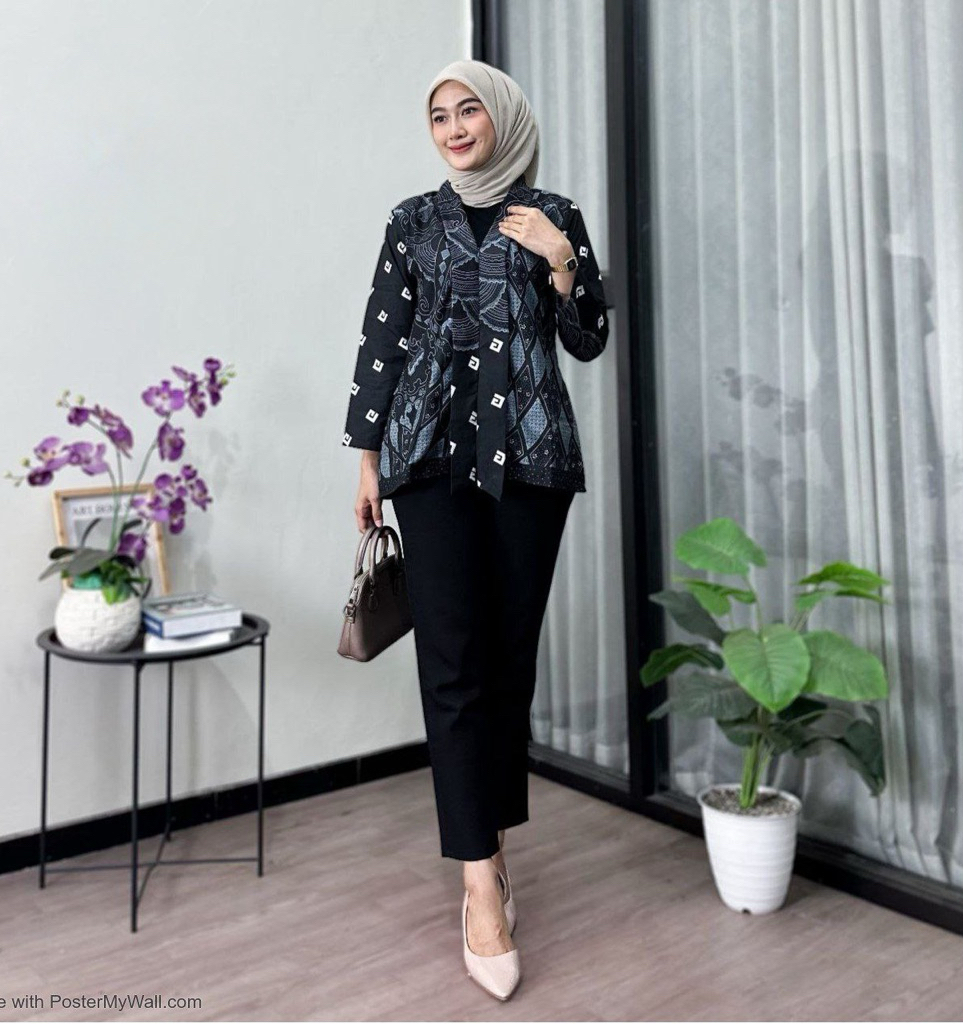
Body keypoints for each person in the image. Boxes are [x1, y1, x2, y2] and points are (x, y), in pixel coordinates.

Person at [341, 59, 609, 1001]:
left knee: (505, 665)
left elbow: (587, 340)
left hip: (532, 461)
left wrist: (563, 263)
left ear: (503, 119)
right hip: (426, 460)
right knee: (451, 663)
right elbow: (382, 339)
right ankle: (479, 884)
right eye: (439, 116)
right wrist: (367, 462)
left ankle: (489, 844)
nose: (454, 128)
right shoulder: (412, 221)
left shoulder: (554, 214)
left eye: (469, 112)